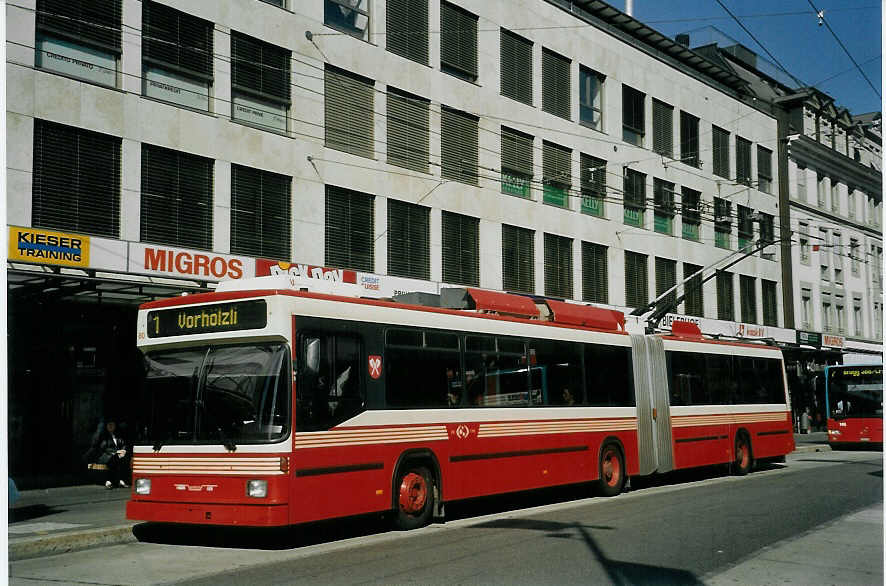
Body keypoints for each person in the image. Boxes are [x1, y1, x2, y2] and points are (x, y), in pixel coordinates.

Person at [86, 420, 129, 489]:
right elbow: (103, 447)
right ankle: (116, 480)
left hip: (116, 455)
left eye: (112, 425)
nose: (111, 426)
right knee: (115, 459)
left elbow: (123, 444)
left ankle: (112, 481)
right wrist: (115, 452)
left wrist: (123, 450)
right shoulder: (103, 436)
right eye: (109, 425)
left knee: (121, 459)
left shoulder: (118, 435)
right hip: (106, 456)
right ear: (106, 426)